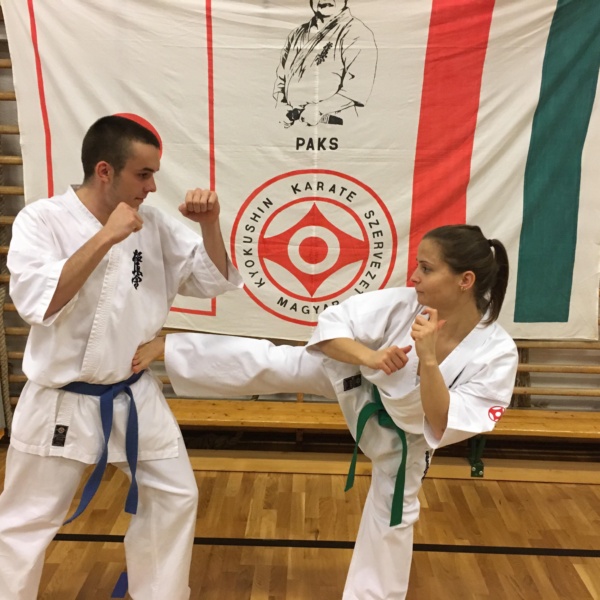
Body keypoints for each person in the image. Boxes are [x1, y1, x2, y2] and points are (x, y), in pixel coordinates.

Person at [134, 224, 518, 599]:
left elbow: (442, 421)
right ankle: (171, 349)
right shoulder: (403, 305)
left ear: (465, 280)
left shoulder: (496, 353)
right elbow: (330, 328)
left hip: (407, 436)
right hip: (359, 380)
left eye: (427, 268)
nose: (414, 276)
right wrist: (371, 357)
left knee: (394, 515)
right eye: (418, 265)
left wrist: (429, 360)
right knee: (277, 361)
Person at [0, 114, 243, 600]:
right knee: (26, 520)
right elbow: (37, 305)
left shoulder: (152, 225)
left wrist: (210, 226)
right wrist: (105, 237)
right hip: (61, 398)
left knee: (174, 496)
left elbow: (212, 279)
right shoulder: (42, 220)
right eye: (143, 174)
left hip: (133, 394)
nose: (152, 187)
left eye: (154, 174)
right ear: (105, 171)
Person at [273, 0, 378, 127]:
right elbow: (281, 78)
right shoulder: (297, 34)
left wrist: (320, 109)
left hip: (334, 124)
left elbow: (358, 88)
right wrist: (281, 105)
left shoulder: (356, 32)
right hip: (292, 123)